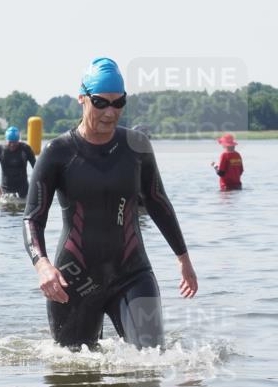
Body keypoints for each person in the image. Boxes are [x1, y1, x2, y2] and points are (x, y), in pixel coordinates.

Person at [23, 56, 198, 350]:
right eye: (101, 103)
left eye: (119, 103)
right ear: (82, 98)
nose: (110, 112)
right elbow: (32, 218)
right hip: (74, 279)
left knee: (152, 360)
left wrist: (184, 259)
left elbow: (158, 202)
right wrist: (42, 266)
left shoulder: (137, 147)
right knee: (73, 371)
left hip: (132, 273)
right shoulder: (58, 152)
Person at [0, 126, 36, 198]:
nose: (12, 145)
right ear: (6, 140)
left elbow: (36, 168)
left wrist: (36, 185)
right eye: (10, 142)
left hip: (23, 191)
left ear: (18, 140)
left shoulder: (25, 149)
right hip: (5, 190)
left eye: (15, 143)